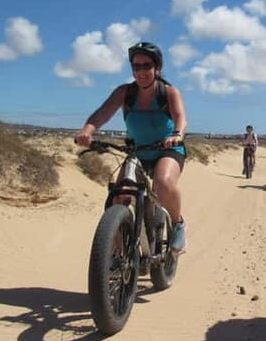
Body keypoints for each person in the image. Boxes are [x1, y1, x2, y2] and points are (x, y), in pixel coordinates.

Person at [75, 42, 189, 253]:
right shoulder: (125, 93)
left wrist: (177, 135)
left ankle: (178, 225)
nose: (141, 71)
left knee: (162, 182)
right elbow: (103, 113)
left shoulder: (168, 92)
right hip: (137, 151)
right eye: (136, 67)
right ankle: (118, 254)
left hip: (167, 149)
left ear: (157, 68)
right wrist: (87, 130)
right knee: (117, 197)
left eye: (146, 66)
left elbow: (180, 117)